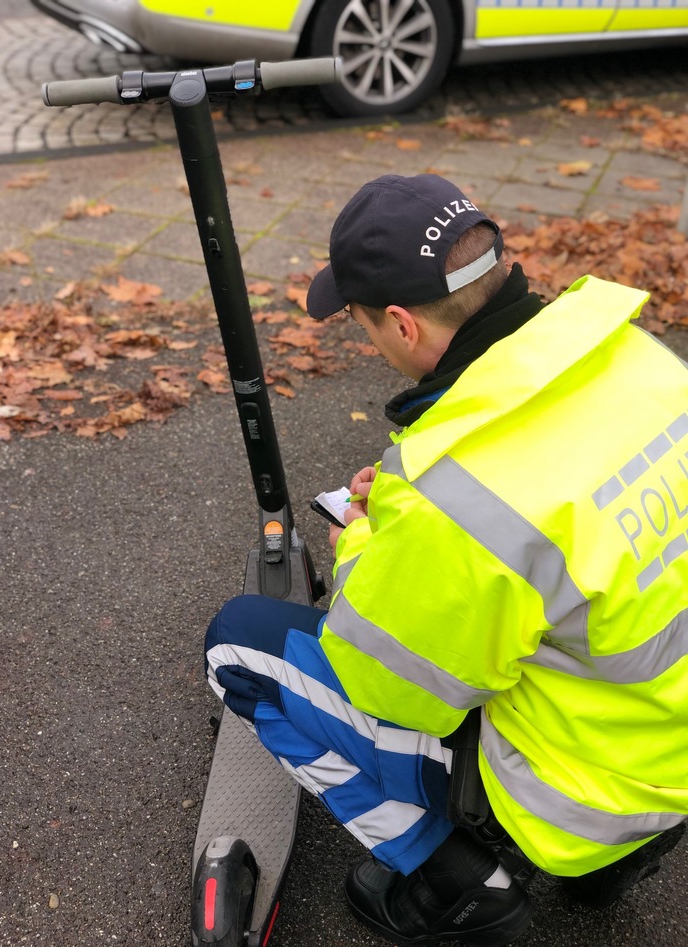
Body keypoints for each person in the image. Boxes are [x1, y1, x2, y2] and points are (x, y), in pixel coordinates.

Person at [205, 174, 688, 945]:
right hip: (670, 748)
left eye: (361, 322)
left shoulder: (453, 498)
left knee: (236, 641)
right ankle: (612, 862)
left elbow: (394, 684)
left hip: (582, 791)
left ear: (400, 324)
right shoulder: (645, 362)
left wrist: (362, 540)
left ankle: (461, 882)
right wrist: (411, 505)